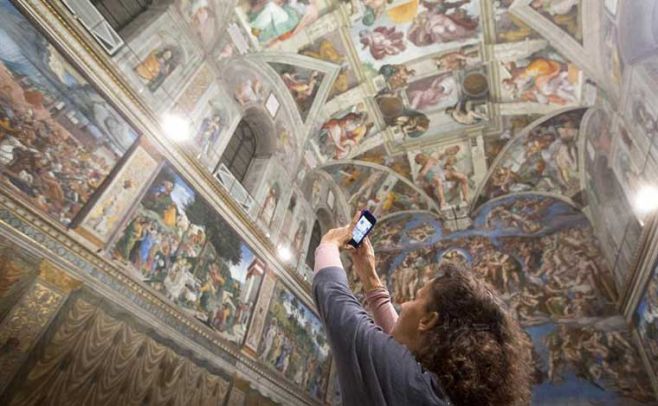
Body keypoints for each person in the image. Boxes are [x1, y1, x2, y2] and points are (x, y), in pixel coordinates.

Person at [313, 214, 533, 405]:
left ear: (427, 321)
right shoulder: (440, 391)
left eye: (416, 298)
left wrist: (330, 241)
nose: (404, 304)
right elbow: (399, 352)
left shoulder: (405, 382)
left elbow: (334, 299)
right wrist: (369, 275)